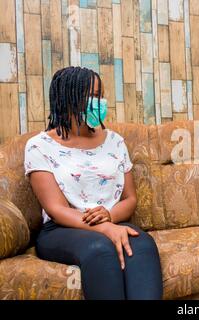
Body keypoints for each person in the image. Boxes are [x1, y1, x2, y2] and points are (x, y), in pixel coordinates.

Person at [24, 66, 163, 300]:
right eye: (93, 95)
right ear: (69, 98)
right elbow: (56, 209)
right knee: (100, 250)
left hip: (114, 220)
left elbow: (130, 199)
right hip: (62, 229)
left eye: (101, 95)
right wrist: (104, 228)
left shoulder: (115, 142)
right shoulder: (39, 146)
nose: (100, 102)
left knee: (143, 246)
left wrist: (109, 217)